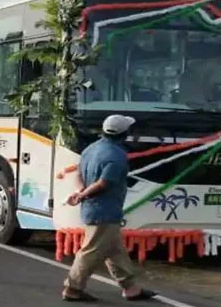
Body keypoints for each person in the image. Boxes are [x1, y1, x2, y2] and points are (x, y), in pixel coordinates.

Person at [62, 114, 156, 302]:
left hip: (94, 209)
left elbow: (79, 173)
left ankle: (131, 288)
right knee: (90, 252)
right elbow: (104, 183)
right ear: (125, 133)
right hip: (104, 211)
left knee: (115, 250)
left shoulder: (91, 148)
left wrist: (80, 191)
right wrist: (83, 194)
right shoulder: (117, 156)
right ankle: (72, 288)